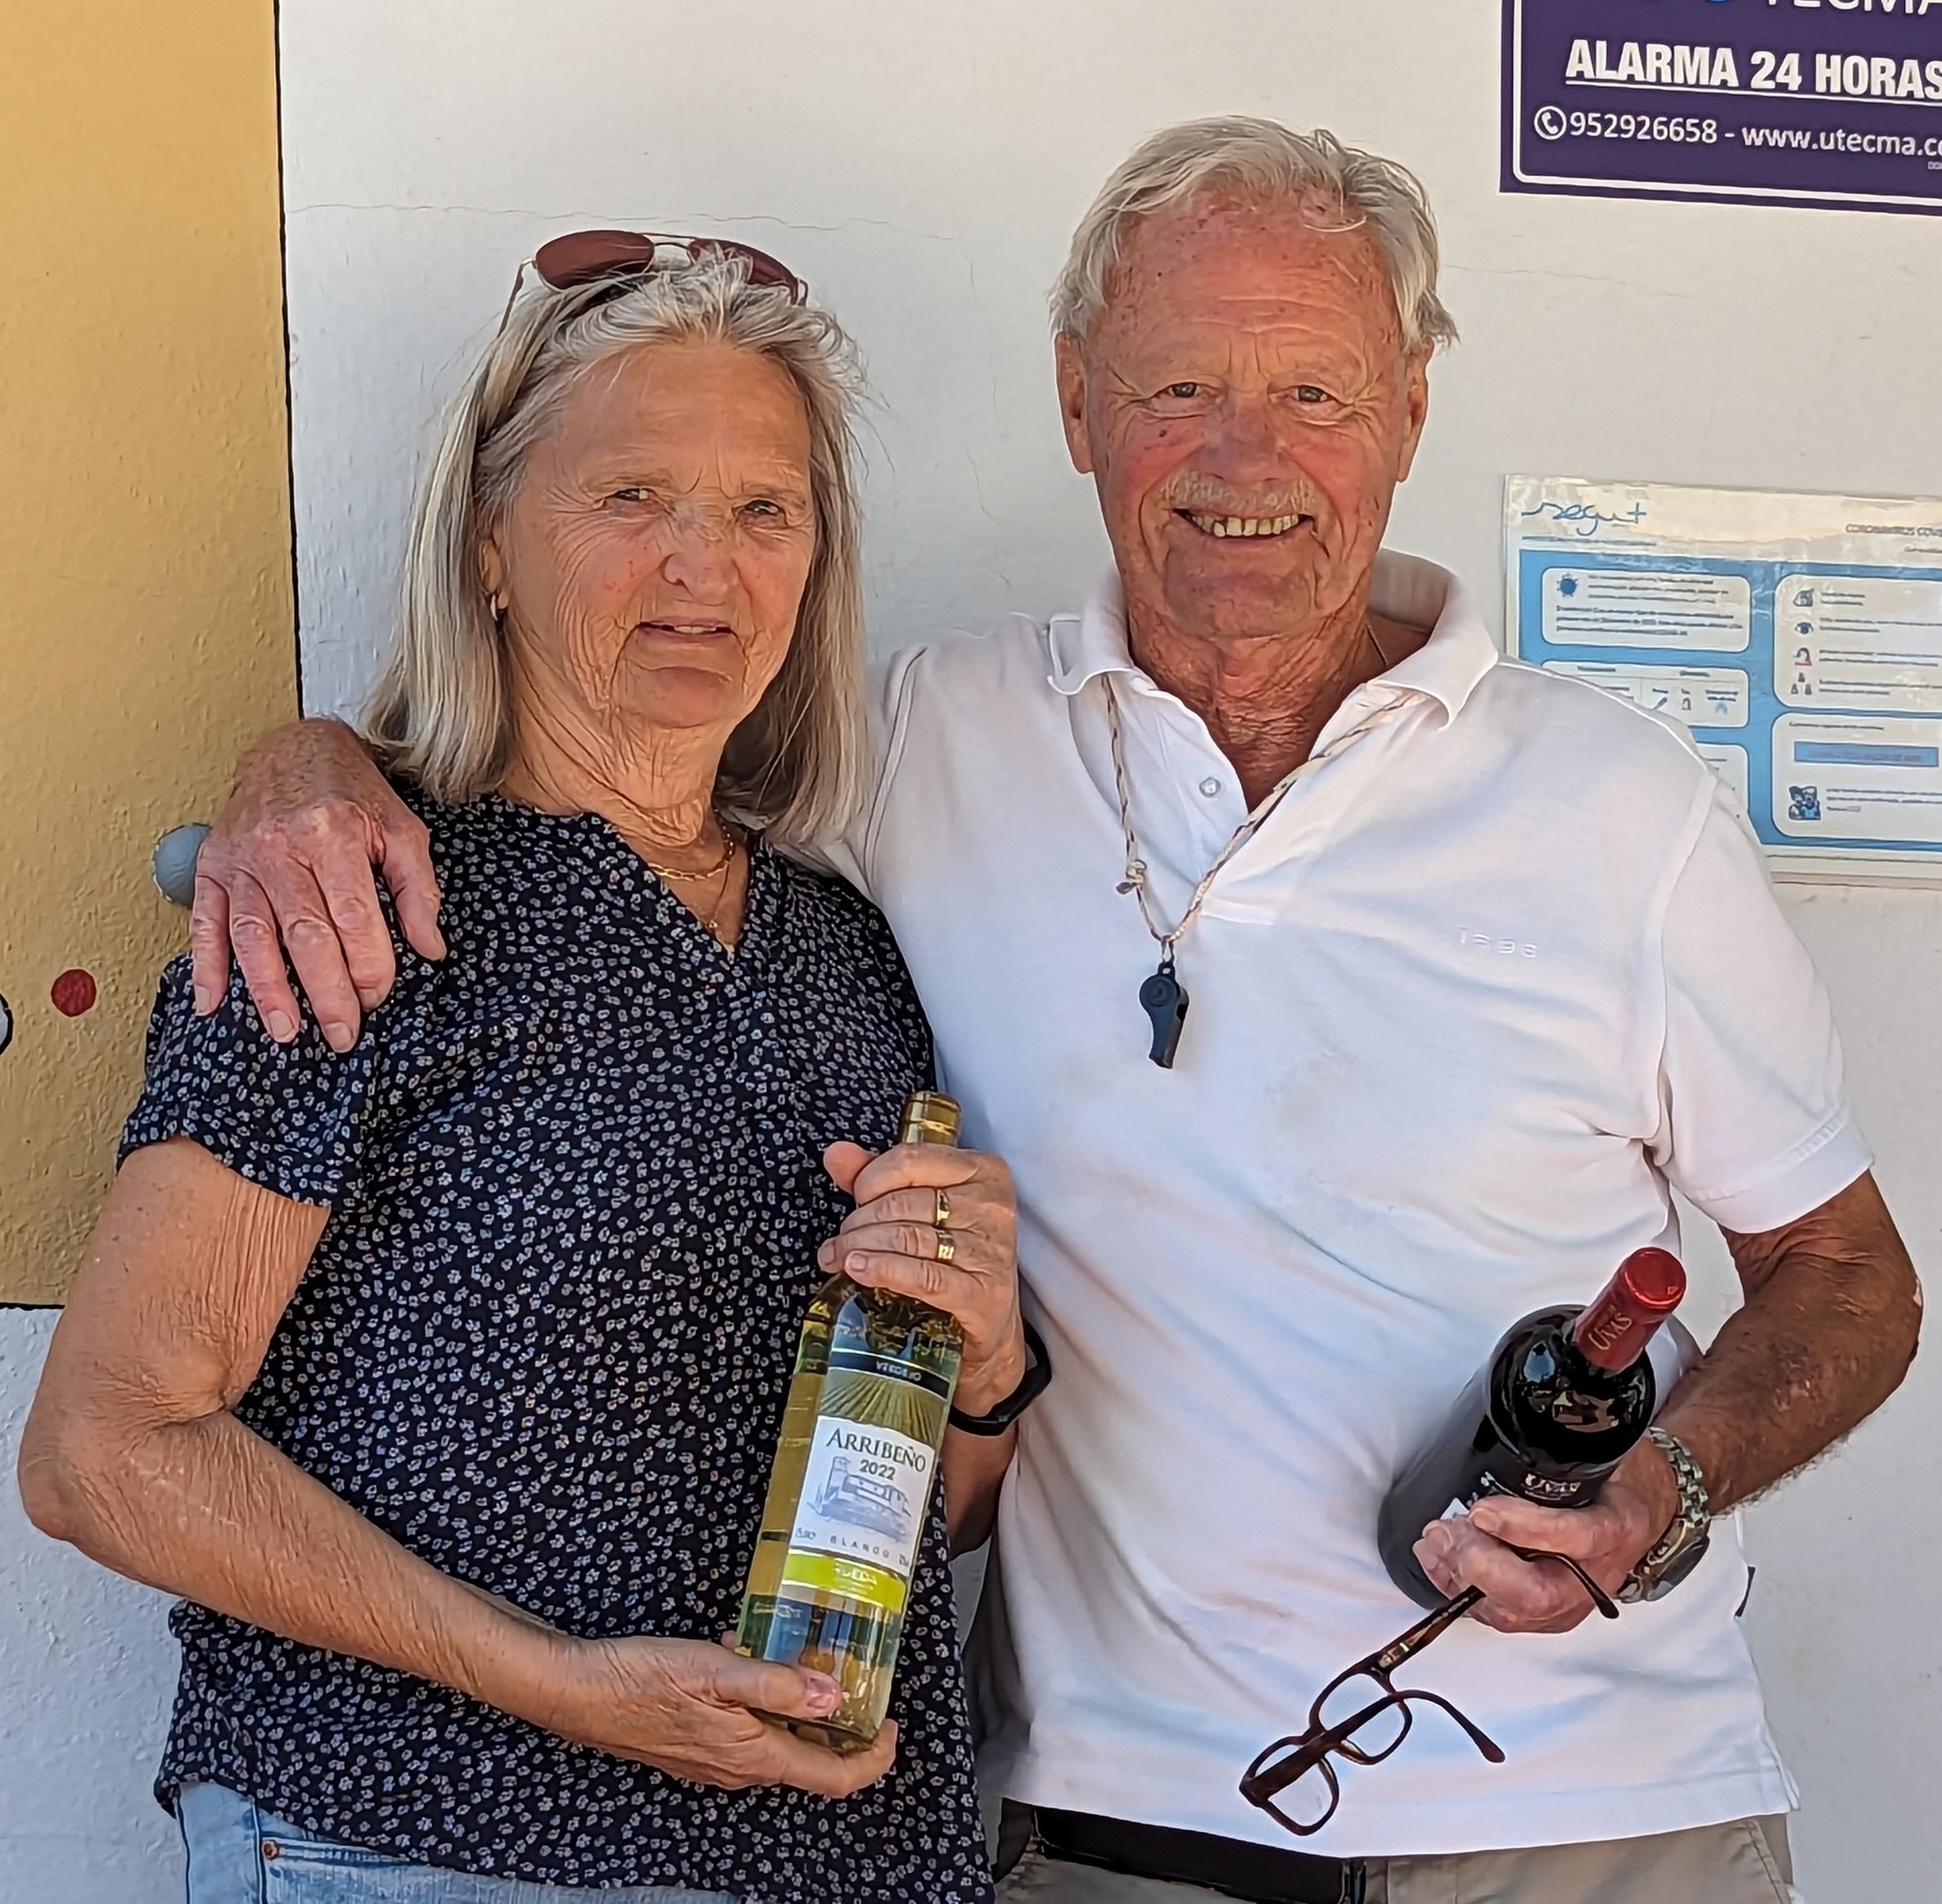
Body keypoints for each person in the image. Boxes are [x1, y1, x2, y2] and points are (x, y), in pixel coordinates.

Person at [172, 120, 1920, 1904]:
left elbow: (1846, 1274)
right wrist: (303, 762)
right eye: (1178, 386)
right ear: (1078, 402)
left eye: (1314, 392)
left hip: (1603, 1818)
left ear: (1408, 409)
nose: (1246, 458)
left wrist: (1664, 1485)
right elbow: (594, 753)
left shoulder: (1626, 804)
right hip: (1110, 1823)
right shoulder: (917, 743)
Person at [20, 240, 1041, 1903]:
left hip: (837, 1853)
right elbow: (103, 1448)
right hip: (422, 1842)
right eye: (632, 495)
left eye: (764, 509)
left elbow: (952, 1509)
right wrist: (560, 1683)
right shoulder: (346, 900)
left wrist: (983, 1362)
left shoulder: (849, 947)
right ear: (488, 544)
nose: (704, 564)